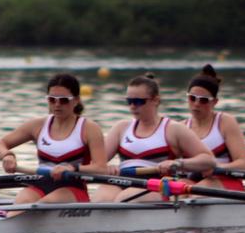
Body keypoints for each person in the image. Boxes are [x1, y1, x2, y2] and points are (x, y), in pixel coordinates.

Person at [0, 73, 106, 215]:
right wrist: (7, 156)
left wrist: (72, 168)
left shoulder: (89, 128)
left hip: (73, 188)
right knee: (20, 206)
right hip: (40, 184)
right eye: (52, 99)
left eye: (63, 100)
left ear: (76, 101)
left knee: (42, 207)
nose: (57, 105)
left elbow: (100, 168)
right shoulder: (37, 125)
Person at [91, 73, 216, 203]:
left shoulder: (174, 129)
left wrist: (178, 164)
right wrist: (105, 167)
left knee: (124, 199)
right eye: (129, 101)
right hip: (121, 179)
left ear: (155, 100)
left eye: (139, 102)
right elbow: (94, 164)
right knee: (101, 199)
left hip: (157, 185)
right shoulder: (120, 128)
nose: (133, 106)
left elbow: (208, 160)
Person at [184, 64, 245, 191]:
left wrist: (217, 167)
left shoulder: (225, 122)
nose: (196, 104)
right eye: (192, 98)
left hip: (225, 180)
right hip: (194, 182)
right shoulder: (182, 127)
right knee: (175, 188)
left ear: (214, 102)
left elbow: (244, 164)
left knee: (197, 190)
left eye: (203, 100)